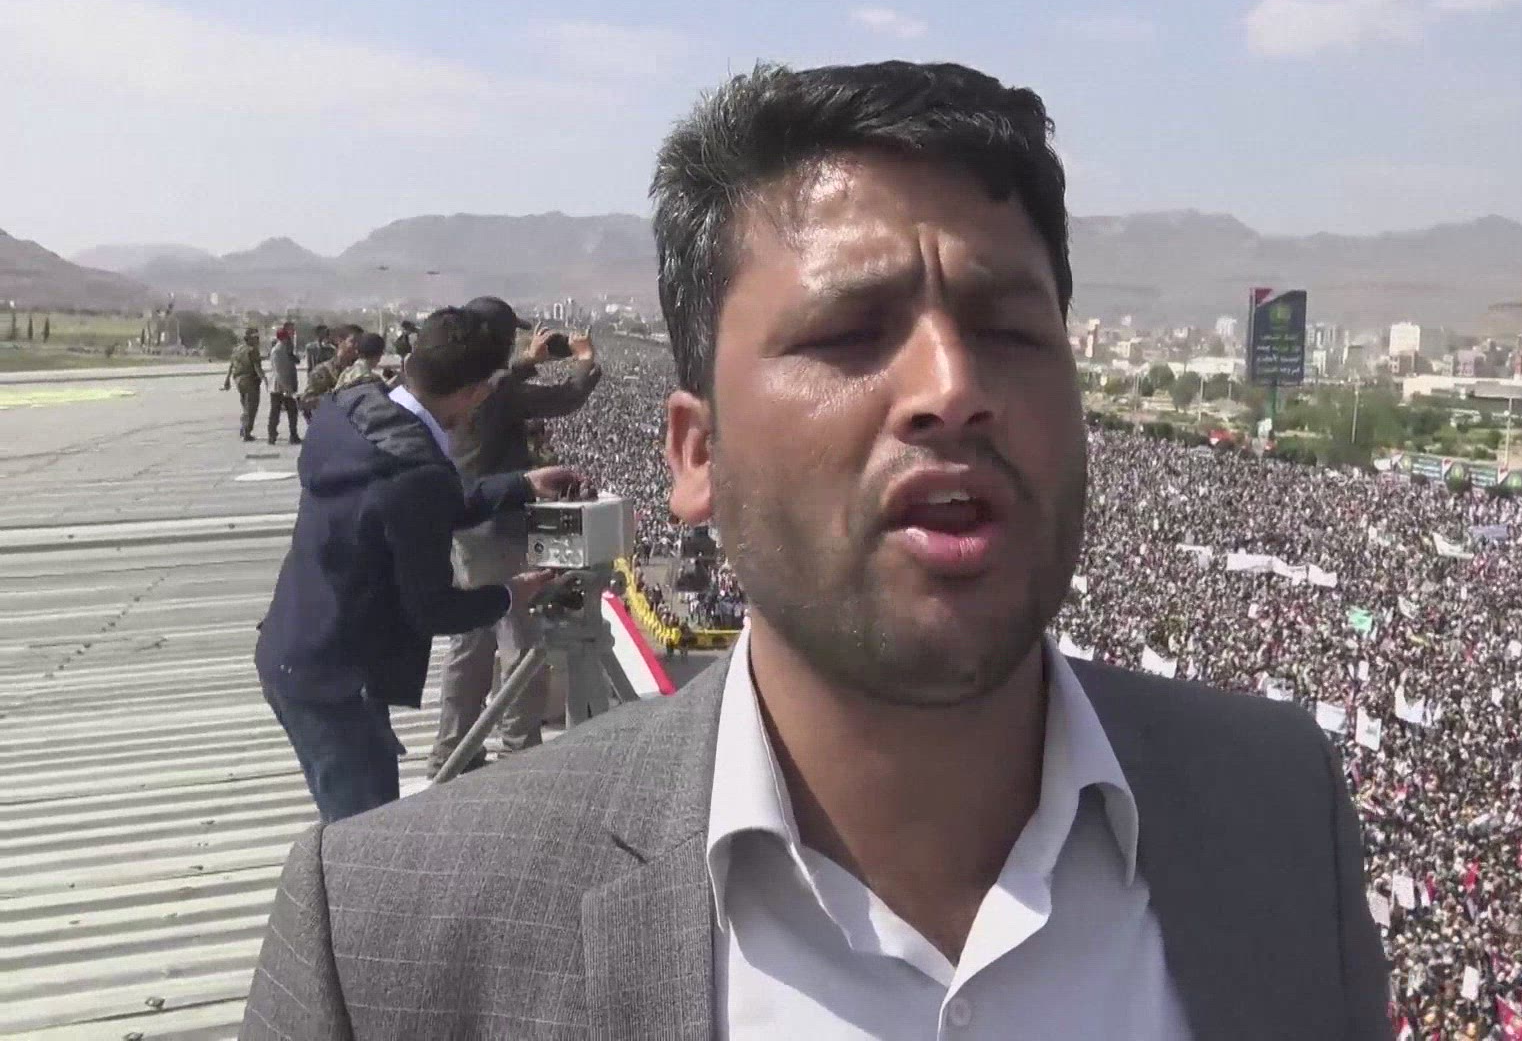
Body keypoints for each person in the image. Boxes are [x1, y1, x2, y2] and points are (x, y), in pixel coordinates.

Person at [243, 61, 1389, 1040]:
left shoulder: (1281, 816)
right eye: (848, 332)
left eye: (1008, 329)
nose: (952, 387)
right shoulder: (392, 945)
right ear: (697, 454)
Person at [251, 305, 583, 825]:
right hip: (335, 681)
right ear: (476, 392)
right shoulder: (415, 472)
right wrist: (510, 594)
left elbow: (419, 509)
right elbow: (432, 608)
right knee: (368, 837)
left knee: (356, 826)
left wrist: (521, 484)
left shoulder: (354, 408)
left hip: (297, 647)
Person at [425, 295, 602, 778]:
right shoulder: (497, 392)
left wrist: (526, 362)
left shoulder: (456, 383)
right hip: (500, 530)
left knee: (471, 643)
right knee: (520, 641)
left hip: (465, 527)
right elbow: (565, 398)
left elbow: (497, 387)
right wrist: (585, 360)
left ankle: (452, 748)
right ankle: (520, 749)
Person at [221, 326, 264, 441]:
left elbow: (231, 365)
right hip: (250, 380)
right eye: (256, 337)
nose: (258, 339)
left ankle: (244, 428)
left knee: (246, 407)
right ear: (249, 338)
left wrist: (227, 380)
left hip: (239, 381)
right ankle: (246, 432)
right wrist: (265, 379)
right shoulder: (252, 350)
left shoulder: (237, 349)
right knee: (251, 408)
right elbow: (257, 367)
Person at [265, 324, 302, 445]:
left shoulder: (286, 349)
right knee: (276, 412)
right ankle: (272, 435)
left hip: (285, 385)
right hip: (279, 387)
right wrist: (288, 389)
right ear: (283, 338)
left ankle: (292, 435)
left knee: (291, 412)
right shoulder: (278, 351)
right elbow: (279, 372)